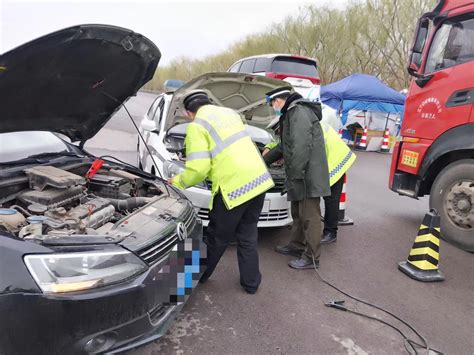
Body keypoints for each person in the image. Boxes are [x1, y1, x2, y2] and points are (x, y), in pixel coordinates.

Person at [170, 90, 274, 294]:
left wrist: (178, 181)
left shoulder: (197, 126)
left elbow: (199, 169)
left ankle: (191, 278)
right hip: (259, 180)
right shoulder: (230, 115)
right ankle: (251, 283)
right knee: (248, 234)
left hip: (235, 186)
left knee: (216, 236)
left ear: (189, 113)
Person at [263, 87, 330, 269]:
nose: (273, 107)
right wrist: (263, 161)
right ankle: (296, 245)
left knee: (310, 217)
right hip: (301, 174)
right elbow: (285, 146)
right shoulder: (292, 112)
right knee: (298, 214)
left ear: (279, 100)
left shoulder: (298, 111)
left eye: (273, 104)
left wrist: (295, 174)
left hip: (307, 175)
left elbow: (301, 146)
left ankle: (311, 258)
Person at [319, 121, 356, 244]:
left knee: (331, 199)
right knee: (330, 198)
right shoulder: (313, 119)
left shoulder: (309, 125)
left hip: (335, 161)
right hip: (333, 158)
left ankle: (330, 232)